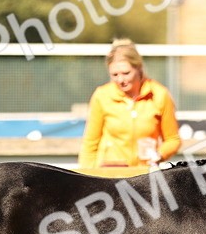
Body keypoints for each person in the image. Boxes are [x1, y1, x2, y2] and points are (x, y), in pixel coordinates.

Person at [78, 39, 182, 168]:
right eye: (114, 75)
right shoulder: (102, 96)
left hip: (144, 173)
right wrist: (86, 176)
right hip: (109, 172)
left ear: (138, 68)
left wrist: (159, 154)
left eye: (126, 73)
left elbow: (173, 140)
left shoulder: (160, 94)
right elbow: (90, 144)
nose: (121, 80)